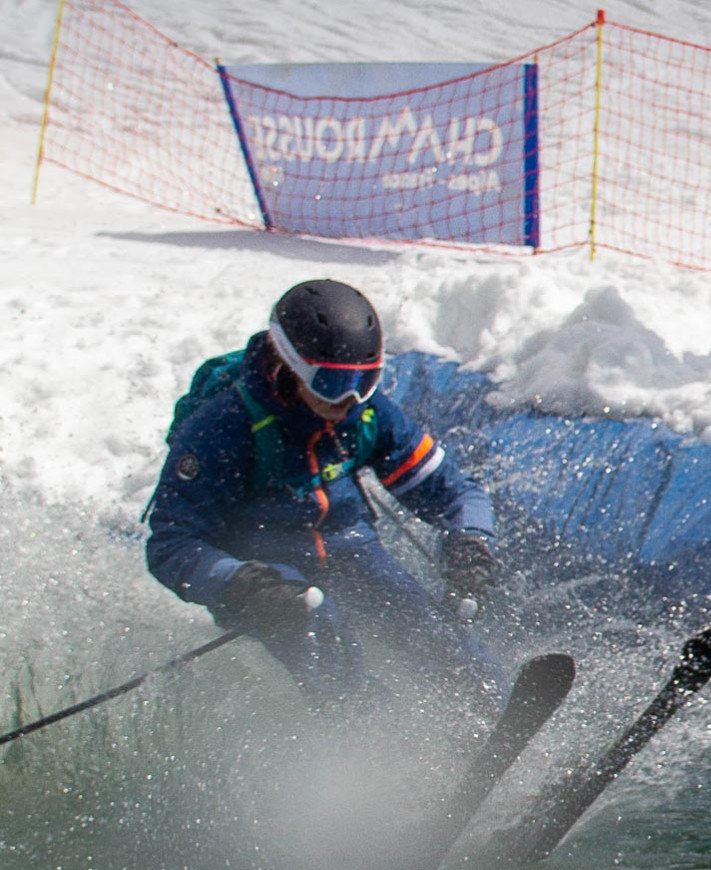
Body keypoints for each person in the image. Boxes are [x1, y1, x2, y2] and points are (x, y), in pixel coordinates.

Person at [146, 279, 507, 712]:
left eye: (365, 380)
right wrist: (240, 584)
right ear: (290, 364)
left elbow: (453, 491)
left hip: (349, 548)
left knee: (428, 629)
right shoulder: (222, 427)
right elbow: (171, 544)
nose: (349, 399)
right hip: (264, 579)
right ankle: (382, 739)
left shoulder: (365, 414)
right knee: (317, 625)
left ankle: (495, 716)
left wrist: (470, 540)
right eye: (333, 383)